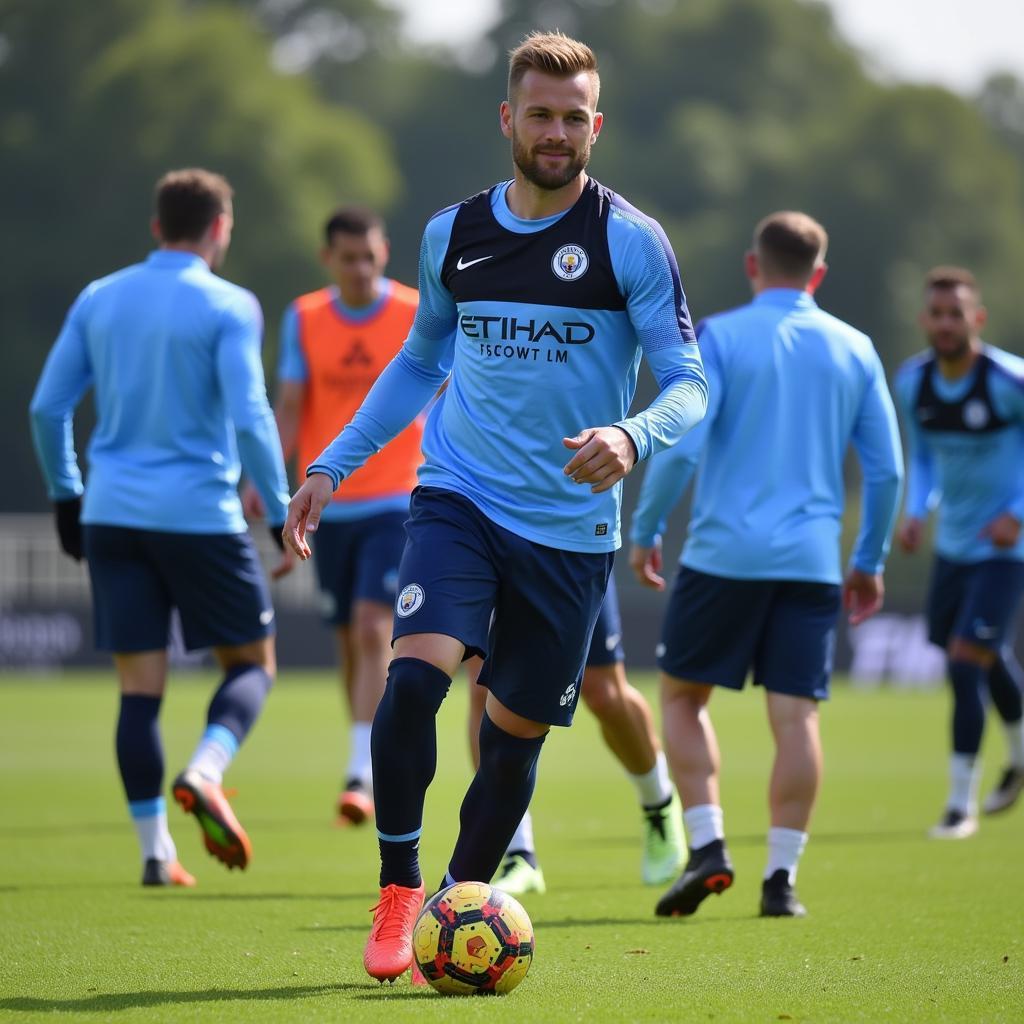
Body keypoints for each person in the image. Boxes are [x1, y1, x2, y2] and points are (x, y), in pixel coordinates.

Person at [283, 31, 707, 982]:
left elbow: (689, 383)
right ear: (507, 118)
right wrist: (331, 466)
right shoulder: (453, 234)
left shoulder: (630, 240)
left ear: (595, 125)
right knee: (416, 681)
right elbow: (419, 363)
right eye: (540, 114)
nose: (556, 133)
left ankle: (454, 910)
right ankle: (400, 889)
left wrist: (633, 434)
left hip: (567, 530)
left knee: (512, 741)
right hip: (457, 496)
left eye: (573, 117)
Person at [631, 211, 903, 919]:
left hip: (723, 556)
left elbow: (684, 446)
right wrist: (867, 560)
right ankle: (781, 880)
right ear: (818, 274)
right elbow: (887, 471)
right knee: (796, 720)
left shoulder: (719, 337)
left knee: (684, 700)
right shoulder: (855, 347)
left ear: (754, 266)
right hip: (812, 563)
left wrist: (648, 526)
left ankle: (709, 846)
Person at [29, 168, 292, 887]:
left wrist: (65, 498)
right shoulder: (230, 304)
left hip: (111, 513)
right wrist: (278, 504)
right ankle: (206, 772)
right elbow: (250, 414)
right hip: (199, 517)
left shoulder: (100, 297)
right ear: (218, 229)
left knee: (138, 693)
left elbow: (48, 409)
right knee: (251, 665)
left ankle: (155, 854)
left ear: (156, 228)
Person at [252, 207, 420, 826]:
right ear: (330, 259)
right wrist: (267, 479)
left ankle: (361, 772)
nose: (359, 269)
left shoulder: (412, 311)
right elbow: (292, 406)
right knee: (350, 640)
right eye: (348, 258)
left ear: (385, 253)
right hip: (330, 505)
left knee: (374, 626)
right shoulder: (304, 318)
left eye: (369, 257)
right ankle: (360, 750)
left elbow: (445, 389)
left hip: (397, 497)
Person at [894, 267, 1024, 839]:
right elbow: (922, 457)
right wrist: (917, 509)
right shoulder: (913, 383)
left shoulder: (1008, 381)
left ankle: (958, 806)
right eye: (937, 314)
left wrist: (1017, 515)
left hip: (1007, 547)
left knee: (966, 660)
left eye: (957, 314)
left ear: (977, 319)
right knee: (981, 650)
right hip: (954, 546)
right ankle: (1021, 757)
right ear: (925, 320)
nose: (946, 324)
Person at [465, 574, 685, 895]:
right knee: (484, 688)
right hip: (495, 537)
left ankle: (658, 802)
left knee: (604, 694)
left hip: (571, 542)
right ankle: (517, 852)